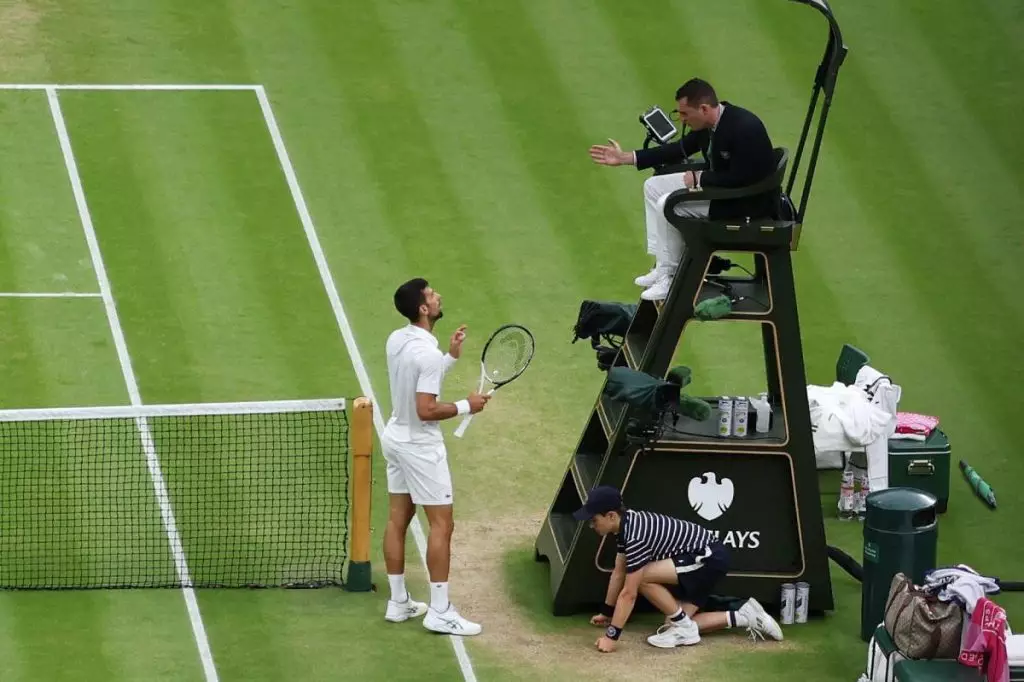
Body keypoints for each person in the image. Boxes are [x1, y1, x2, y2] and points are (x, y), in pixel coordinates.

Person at [589, 78, 778, 301]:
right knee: (653, 187)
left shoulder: (745, 128)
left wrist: (701, 178)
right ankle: (662, 265)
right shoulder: (710, 125)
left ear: (704, 109)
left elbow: (746, 178)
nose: (683, 121)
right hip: (722, 191)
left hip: (744, 203)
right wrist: (627, 157)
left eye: (686, 114)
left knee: (667, 204)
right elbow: (678, 149)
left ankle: (670, 277)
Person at [380, 277, 490, 636]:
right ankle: (440, 610)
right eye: (431, 295)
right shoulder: (424, 352)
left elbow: (419, 375)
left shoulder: (399, 339)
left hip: (395, 437)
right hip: (420, 448)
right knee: (443, 524)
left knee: (398, 519)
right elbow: (426, 408)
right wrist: (466, 405)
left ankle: (398, 603)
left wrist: (450, 357)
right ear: (424, 309)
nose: (438, 295)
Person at [574, 485, 784, 652]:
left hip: (707, 558)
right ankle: (745, 615)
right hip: (706, 558)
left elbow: (629, 593)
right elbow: (618, 572)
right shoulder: (625, 528)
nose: (592, 526)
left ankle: (684, 626)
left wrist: (611, 637)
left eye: (594, 520)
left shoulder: (635, 535)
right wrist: (607, 612)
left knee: (642, 578)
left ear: (611, 516)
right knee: (673, 625)